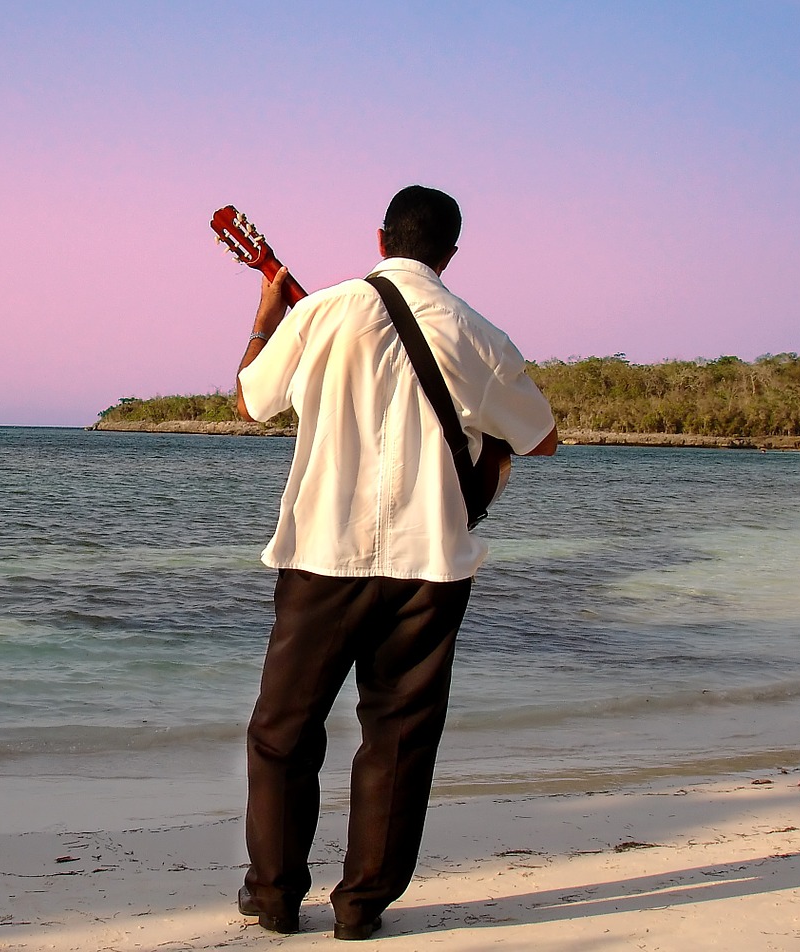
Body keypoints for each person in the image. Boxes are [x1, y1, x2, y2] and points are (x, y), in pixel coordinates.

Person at [233, 185, 557, 941]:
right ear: (450, 255)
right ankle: (361, 907)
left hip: (322, 555)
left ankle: (275, 897)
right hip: (431, 562)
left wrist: (264, 314)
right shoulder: (477, 332)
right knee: (399, 736)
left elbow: (253, 401)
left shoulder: (321, 311)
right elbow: (539, 435)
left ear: (380, 240)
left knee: (283, 731)